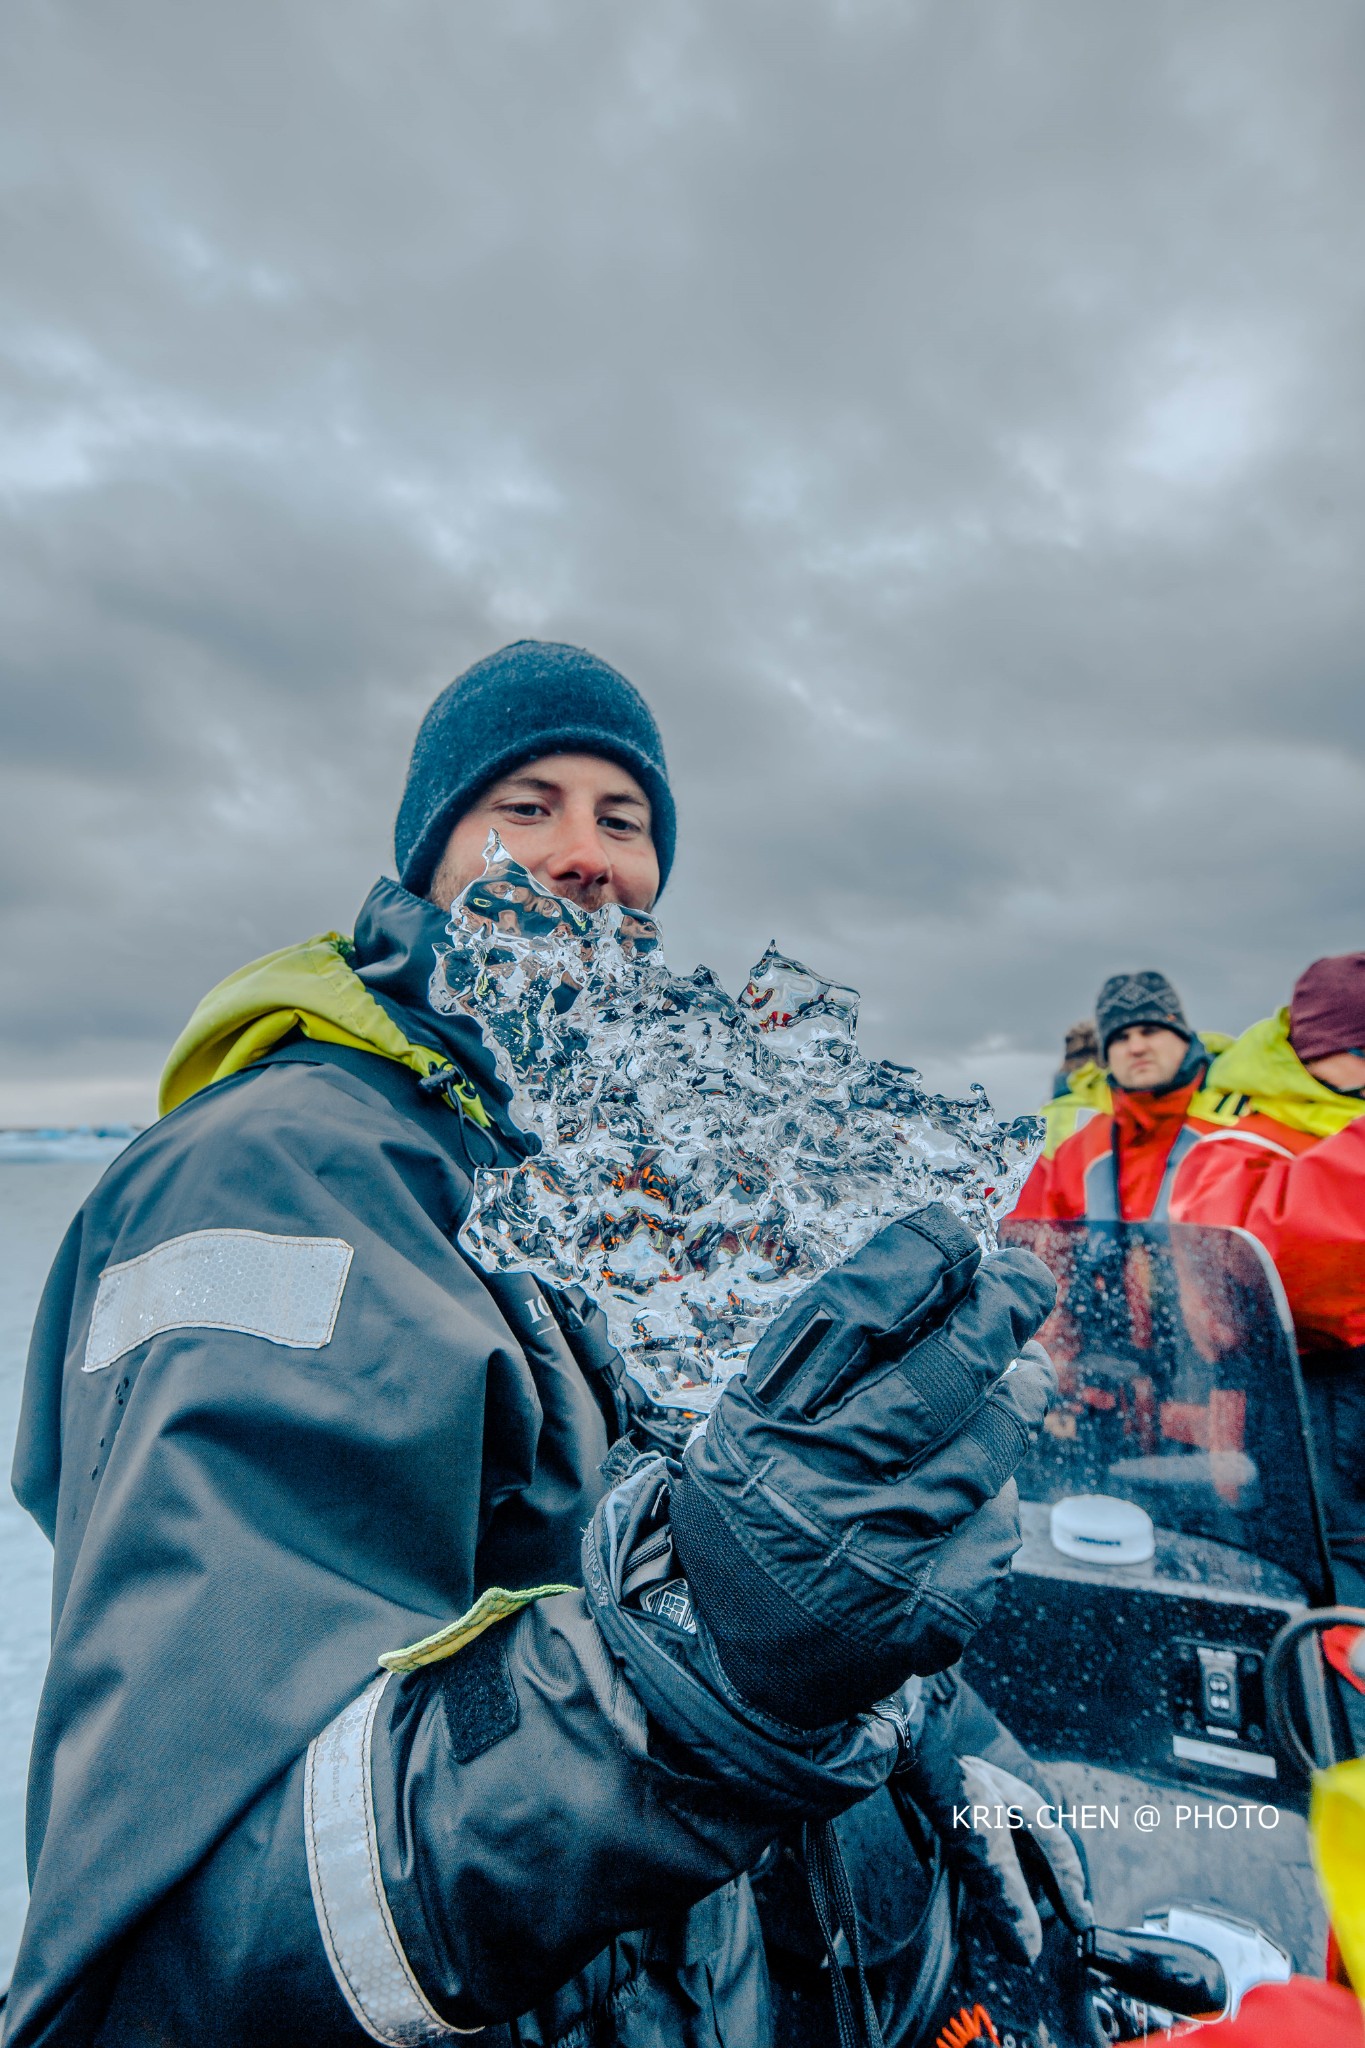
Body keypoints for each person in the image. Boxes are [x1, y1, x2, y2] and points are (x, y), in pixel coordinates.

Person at [7, 641, 1065, 2048]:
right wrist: (706, 1663)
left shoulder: (608, 1154)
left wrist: (954, 1745)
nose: (587, 856)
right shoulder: (281, 1174)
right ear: (427, 856)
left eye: (623, 821)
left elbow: (761, 1520)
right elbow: (182, 1954)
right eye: (526, 805)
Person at [1171, 953, 1365, 1596]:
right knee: (1335, 1593)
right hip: (1312, 1425)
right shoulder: (1241, 1142)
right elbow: (1250, 1280)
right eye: (1363, 1051)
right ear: (1316, 1049)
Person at [1013, 971, 1235, 1223]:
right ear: (1106, 1055)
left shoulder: (1242, 1127)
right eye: (1120, 1038)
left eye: (1150, 1031)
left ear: (1184, 1037)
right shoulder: (1073, 1153)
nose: (1137, 1048)